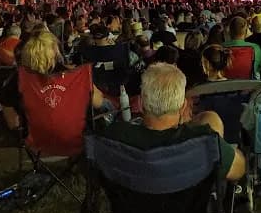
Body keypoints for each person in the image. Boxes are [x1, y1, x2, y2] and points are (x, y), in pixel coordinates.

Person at [103, 63, 245, 181]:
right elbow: (239, 169)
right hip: (191, 212)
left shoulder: (114, 138)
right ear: (183, 107)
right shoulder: (204, 141)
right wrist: (221, 144)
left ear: (141, 104)